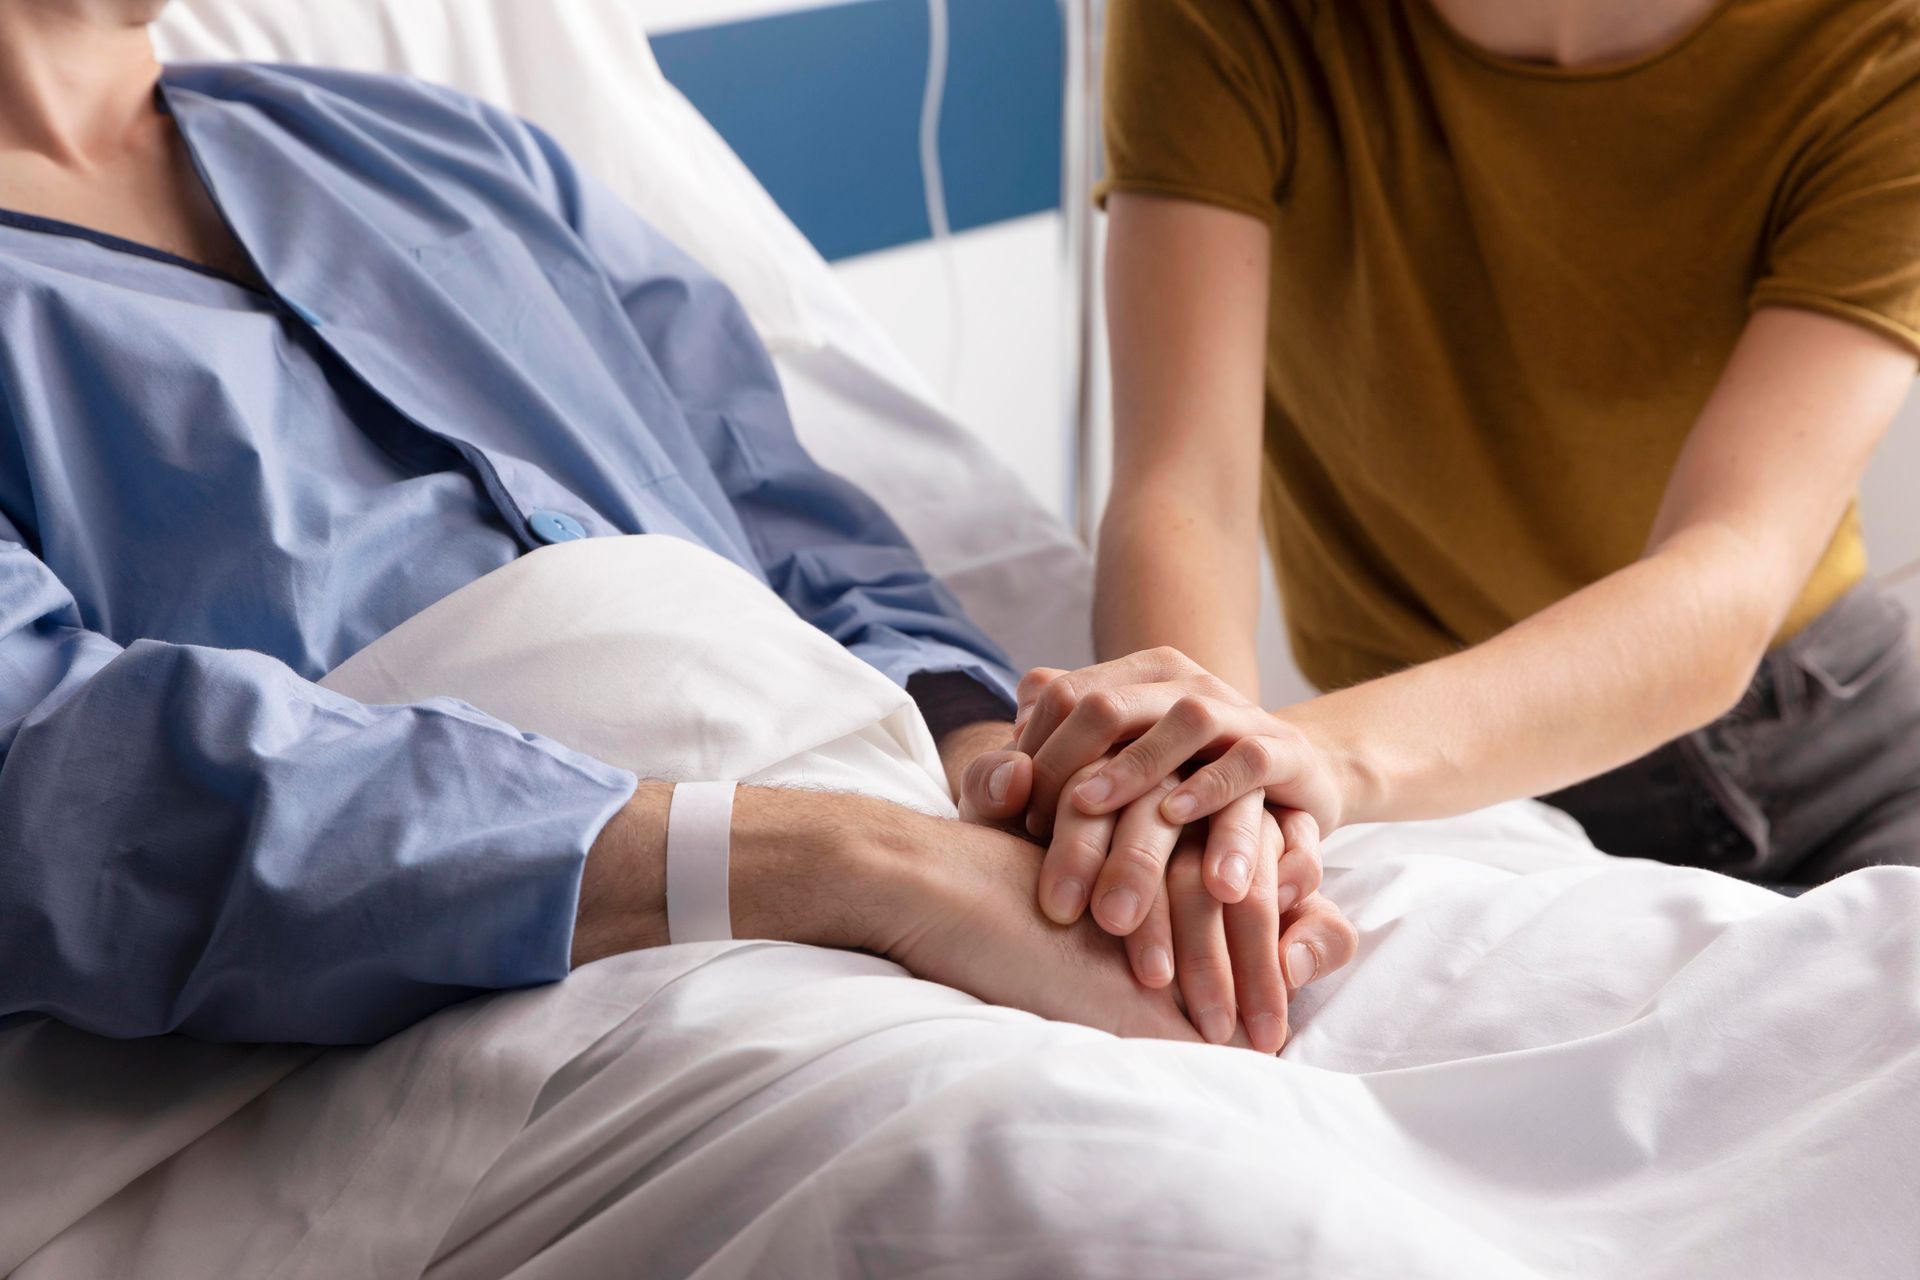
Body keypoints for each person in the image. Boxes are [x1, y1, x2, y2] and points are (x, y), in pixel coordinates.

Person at [0, 0, 1354, 1051]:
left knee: (1523, 1017)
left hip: (900, 803)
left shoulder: (457, 158)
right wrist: (848, 866)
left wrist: (1020, 779)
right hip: (508, 974)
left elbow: (804, 530)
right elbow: (66, 787)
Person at [1000, 0, 1920, 911]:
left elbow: (1730, 566)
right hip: (1440, 797)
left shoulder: (1882, 44)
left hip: (1826, 763)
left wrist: (1276, 759)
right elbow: (1184, 486)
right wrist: (1192, 785)